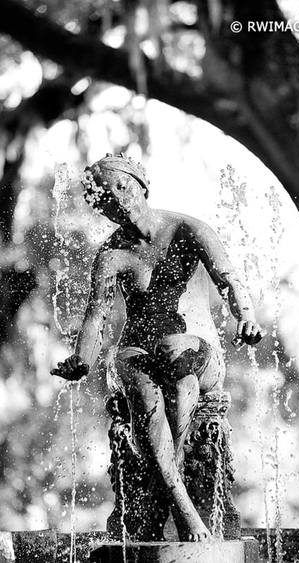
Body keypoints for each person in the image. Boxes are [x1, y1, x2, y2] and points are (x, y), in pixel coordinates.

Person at [51, 153, 264, 542]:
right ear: (102, 210)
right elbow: (95, 317)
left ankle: (169, 483)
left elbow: (229, 280)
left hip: (195, 348)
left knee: (179, 369)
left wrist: (245, 316)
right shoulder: (111, 255)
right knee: (139, 381)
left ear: (141, 184)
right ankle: (182, 504)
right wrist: (81, 361)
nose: (119, 199)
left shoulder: (187, 229)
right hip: (139, 352)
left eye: (123, 187)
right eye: (107, 198)